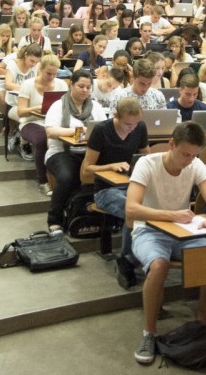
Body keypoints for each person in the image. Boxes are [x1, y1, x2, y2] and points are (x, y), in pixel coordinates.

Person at [127, 121, 206, 365]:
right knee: (158, 265)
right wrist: (172, 215)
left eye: (194, 155)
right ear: (171, 144)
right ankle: (149, 333)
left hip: (182, 231)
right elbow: (131, 209)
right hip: (148, 230)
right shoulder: (147, 164)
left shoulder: (195, 164)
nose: (189, 160)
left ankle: (203, 325)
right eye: (184, 154)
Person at [81, 98, 150, 289]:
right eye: (128, 124)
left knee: (148, 207)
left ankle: (137, 256)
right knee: (132, 210)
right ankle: (127, 260)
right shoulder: (102, 130)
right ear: (116, 116)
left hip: (131, 185)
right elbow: (86, 169)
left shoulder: (140, 128)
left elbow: (147, 157)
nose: (132, 128)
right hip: (105, 190)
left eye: (135, 124)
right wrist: (110, 166)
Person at [44, 70, 107, 234]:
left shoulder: (95, 107)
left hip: (88, 153)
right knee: (67, 177)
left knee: (107, 176)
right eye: (81, 86)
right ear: (71, 85)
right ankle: (54, 219)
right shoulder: (58, 106)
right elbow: (50, 131)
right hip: (61, 152)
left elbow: (105, 128)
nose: (85, 90)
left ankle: (102, 218)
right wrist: (78, 131)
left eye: (88, 87)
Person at [16, 54, 68, 193]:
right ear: (40, 69)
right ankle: (43, 180)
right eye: (48, 73)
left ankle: (63, 178)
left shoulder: (61, 84)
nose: (51, 77)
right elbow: (20, 112)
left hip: (54, 121)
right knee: (42, 139)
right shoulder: (28, 85)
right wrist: (34, 109)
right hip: (31, 122)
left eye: (54, 73)